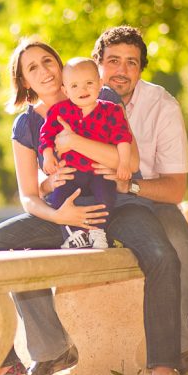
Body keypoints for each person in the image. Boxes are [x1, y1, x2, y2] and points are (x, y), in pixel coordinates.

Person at [0, 37, 181, 375]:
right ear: (24, 82)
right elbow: (29, 197)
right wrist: (61, 213)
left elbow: (132, 162)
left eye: (47, 61)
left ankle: (164, 364)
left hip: (119, 205)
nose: (44, 71)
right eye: (32, 68)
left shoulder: (99, 96)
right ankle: (13, 361)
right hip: (62, 215)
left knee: (161, 254)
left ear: (60, 66)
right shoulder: (25, 126)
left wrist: (75, 143)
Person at [85, 25, 188, 375]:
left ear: (140, 69)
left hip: (149, 197)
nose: (121, 71)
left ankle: (179, 347)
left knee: (181, 248)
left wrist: (131, 188)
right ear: (98, 63)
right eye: (113, 61)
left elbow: (175, 189)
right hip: (94, 200)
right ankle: (58, 349)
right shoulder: (77, 96)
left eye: (131, 63)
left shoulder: (162, 106)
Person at [39, 57, 134, 250]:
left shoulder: (111, 110)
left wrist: (123, 163)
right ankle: (76, 234)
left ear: (100, 84)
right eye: (74, 86)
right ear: (65, 90)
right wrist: (48, 155)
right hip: (72, 171)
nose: (82, 90)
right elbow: (46, 134)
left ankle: (98, 231)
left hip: (99, 171)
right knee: (59, 197)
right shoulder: (60, 111)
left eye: (89, 83)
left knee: (106, 195)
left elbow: (123, 138)